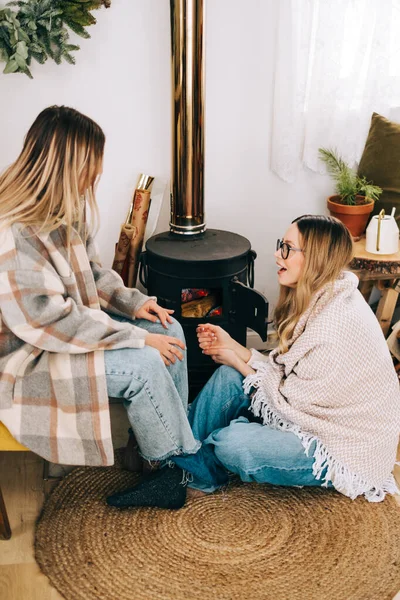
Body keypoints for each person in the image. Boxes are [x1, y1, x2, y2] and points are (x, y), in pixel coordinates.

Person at [107, 214, 400, 509]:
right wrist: (236, 352)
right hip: (312, 413)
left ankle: (177, 469)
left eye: (287, 248)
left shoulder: (335, 324)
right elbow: (288, 372)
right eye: (280, 245)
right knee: (227, 376)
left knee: (232, 442)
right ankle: (184, 470)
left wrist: (239, 358)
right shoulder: (322, 297)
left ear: (316, 259)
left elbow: (294, 407)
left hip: (341, 446)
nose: (277, 254)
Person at [0, 106, 200, 471]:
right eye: (92, 163)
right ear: (67, 165)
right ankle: (173, 469)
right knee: (145, 364)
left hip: (71, 329)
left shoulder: (65, 205)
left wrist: (133, 302)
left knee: (170, 331)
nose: (99, 171)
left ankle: (148, 453)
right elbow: (51, 321)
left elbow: (90, 271)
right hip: (32, 353)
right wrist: (135, 338)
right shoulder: (13, 232)